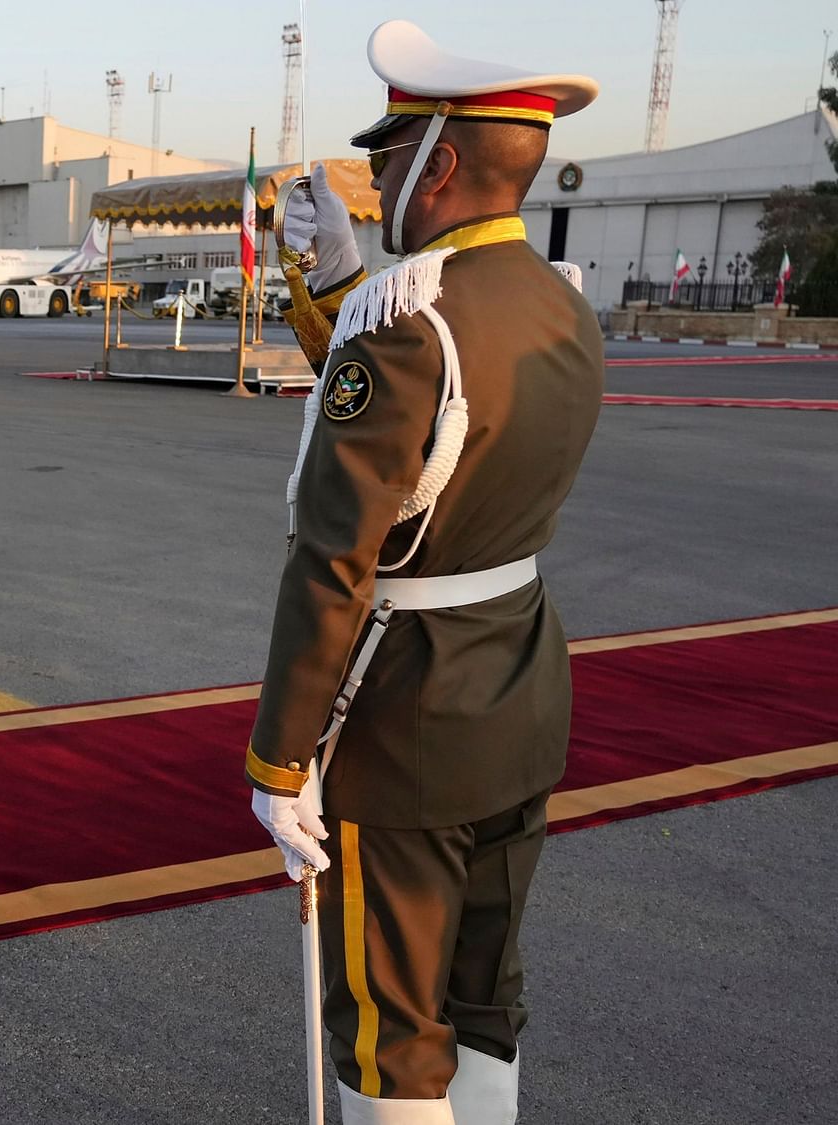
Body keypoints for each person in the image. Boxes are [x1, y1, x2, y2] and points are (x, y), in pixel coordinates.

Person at [246, 21, 603, 1125]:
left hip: (403, 715)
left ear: (439, 161)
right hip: (519, 690)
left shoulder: (407, 329)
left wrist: (278, 758)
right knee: (480, 996)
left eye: (390, 155)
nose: (380, 174)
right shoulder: (560, 302)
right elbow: (433, 424)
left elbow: (335, 556)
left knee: (389, 1026)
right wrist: (341, 280)